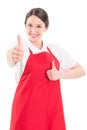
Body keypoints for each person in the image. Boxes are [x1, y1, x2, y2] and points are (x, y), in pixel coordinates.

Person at [7, 7, 86, 130]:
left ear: (46, 28)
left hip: (52, 112)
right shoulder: (20, 47)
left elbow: (81, 70)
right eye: (30, 25)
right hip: (27, 112)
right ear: (25, 26)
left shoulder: (55, 49)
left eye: (39, 26)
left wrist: (59, 74)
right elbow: (12, 55)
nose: (33, 30)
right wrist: (13, 54)